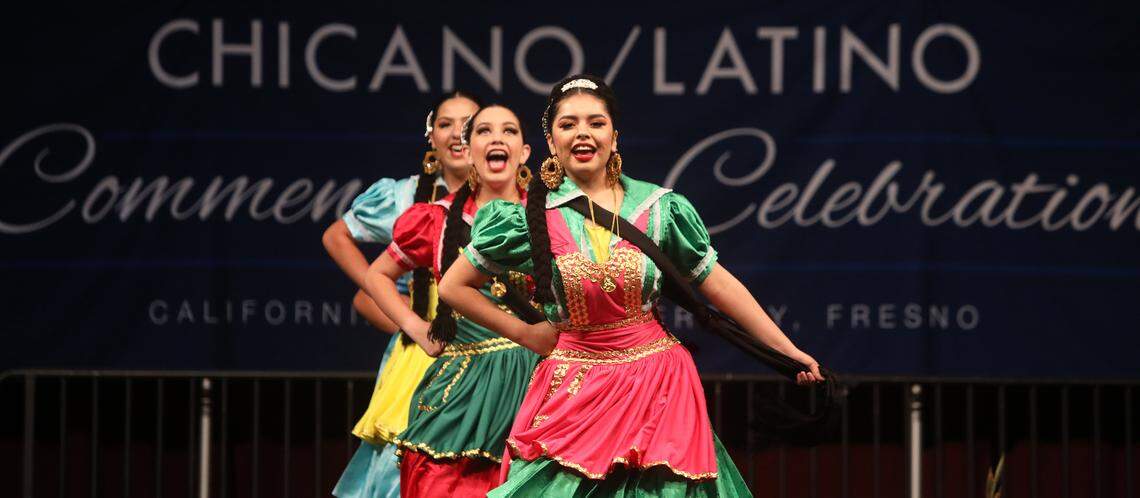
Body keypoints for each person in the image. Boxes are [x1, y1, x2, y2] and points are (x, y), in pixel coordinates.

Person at [439, 74, 824, 496]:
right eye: (568, 125)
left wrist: (787, 351)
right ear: (551, 142)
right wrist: (527, 334)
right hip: (574, 390)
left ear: (614, 137)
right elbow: (453, 286)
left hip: (658, 384)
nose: (582, 133)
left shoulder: (660, 209)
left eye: (595, 122)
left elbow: (719, 286)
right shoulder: (530, 218)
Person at [362, 104, 540, 497]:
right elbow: (376, 276)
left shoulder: (551, 217)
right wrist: (415, 328)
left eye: (508, 131)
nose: (496, 139)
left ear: (525, 152)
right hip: (462, 389)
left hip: (537, 386)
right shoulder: (437, 220)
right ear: (470, 148)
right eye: (484, 132)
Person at [328, 91, 481, 498]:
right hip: (426, 351)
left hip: (493, 350)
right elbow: (338, 237)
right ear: (431, 136)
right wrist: (407, 320)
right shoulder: (402, 197)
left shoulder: (508, 197)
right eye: (446, 123)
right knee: (403, 469)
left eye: (469, 124)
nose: (457, 134)